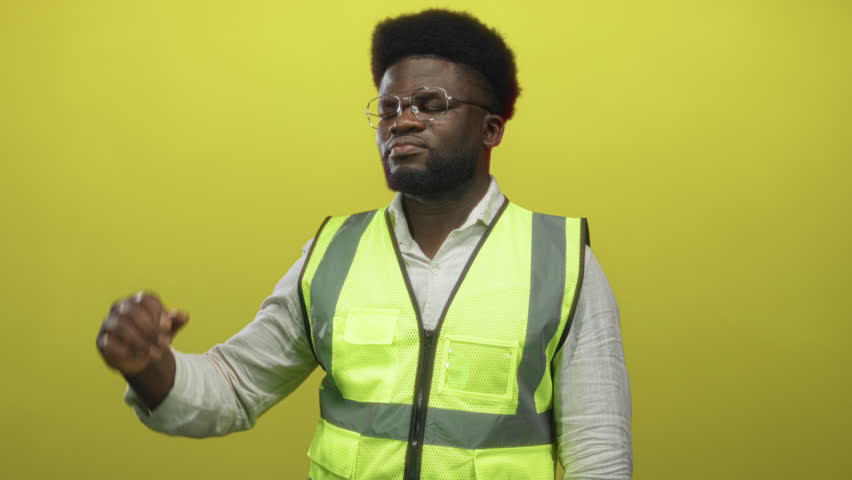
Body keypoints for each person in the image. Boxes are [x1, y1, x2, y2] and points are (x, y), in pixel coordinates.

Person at [96, 9, 632, 480]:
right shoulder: (331, 253)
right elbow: (233, 389)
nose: (403, 121)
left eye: (430, 103)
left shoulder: (563, 263)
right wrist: (149, 365)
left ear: (491, 129)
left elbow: (600, 458)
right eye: (390, 107)